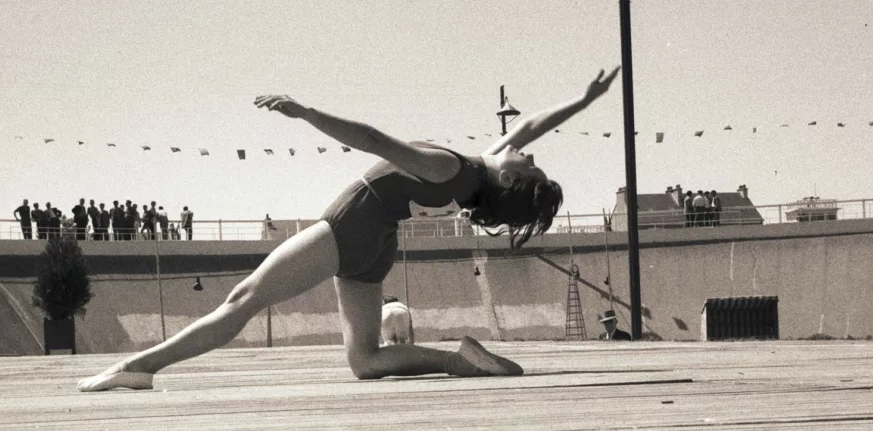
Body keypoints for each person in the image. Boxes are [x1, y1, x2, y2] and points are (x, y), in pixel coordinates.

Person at [77, 66, 619, 392]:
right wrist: (586, 99)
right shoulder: (477, 178)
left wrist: (308, 113)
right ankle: (461, 360)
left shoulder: (452, 169)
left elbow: (373, 139)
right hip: (376, 246)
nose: (527, 153)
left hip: (350, 228)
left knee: (244, 299)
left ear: (509, 178)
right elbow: (528, 125)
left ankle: (138, 367)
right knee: (366, 361)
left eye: (530, 165)